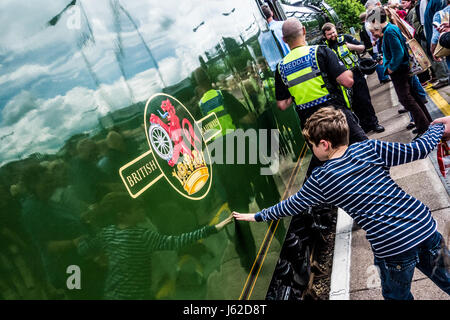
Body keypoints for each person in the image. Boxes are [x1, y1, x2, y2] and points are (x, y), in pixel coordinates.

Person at [233, 107, 449, 300]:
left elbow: (291, 205)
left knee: (395, 295)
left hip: (392, 246)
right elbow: (419, 149)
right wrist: (437, 128)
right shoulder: (371, 148)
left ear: (324, 145)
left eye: (311, 145)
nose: (311, 150)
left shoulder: (321, 178)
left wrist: (256, 216)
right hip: (425, 227)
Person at [75, 192, 233, 299]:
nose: (142, 210)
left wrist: (80, 241)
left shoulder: (108, 233)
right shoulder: (141, 235)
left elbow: (84, 249)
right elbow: (174, 243)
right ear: (123, 215)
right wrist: (211, 229)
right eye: (136, 209)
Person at [274, 17, 367, 176]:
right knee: (365, 150)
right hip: (336, 115)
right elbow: (347, 81)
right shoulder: (320, 51)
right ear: (303, 31)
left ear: (283, 40)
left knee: (327, 168)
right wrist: (351, 71)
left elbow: (282, 104)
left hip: (311, 125)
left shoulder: (281, 67)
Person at [368, 7, 433, 137]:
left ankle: (424, 128)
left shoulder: (389, 32)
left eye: (371, 21)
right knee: (414, 97)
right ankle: (428, 123)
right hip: (403, 68)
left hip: (399, 71)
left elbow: (398, 53)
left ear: (376, 20)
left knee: (406, 100)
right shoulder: (391, 28)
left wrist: (390, 68)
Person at [322, 22, 385, 134]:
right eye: (329, 34)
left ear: (336, 30)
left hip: (355, 74)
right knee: (353, 104)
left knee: (364, 99)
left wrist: (351, 47)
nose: (332, 35)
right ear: (324, 36)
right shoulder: (324, 48)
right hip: (340, 80)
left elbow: (362, 48)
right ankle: (364, 126)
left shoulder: (345, 38)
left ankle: (374, 123)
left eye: (333, 32)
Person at [365, 0, 392, 84]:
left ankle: (384, 77)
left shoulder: (388, 30)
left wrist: (392, 68)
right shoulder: (372, 18)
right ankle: (384, 77)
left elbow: (398, 53)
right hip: (379, 45)